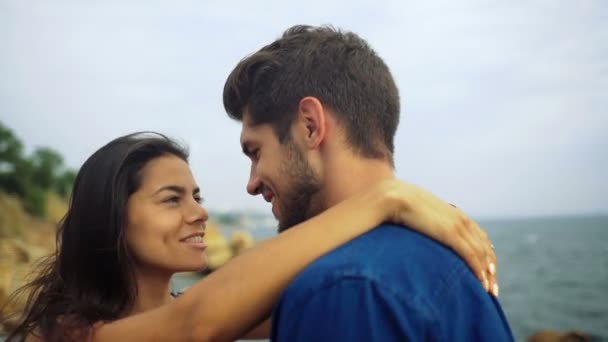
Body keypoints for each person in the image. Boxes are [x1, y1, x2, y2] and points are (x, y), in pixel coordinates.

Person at [3, 132, 496, 341]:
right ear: (112, 216)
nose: (199, 213)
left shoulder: (196, 311)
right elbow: (196, 323)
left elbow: (312, 292)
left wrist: (407, 240)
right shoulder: (72, 334)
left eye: (196, 195)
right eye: (172, 199)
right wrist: (383, 200)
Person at [222, 25, 513, 341]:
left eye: (255, 151)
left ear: (309, 126)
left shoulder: (343, 288)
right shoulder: (450, 255)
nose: (251, 184)